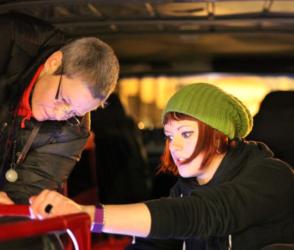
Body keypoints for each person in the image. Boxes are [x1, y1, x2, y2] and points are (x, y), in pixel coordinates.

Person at [30, 83, 294, 250]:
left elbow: (202, 214)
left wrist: (88, 215)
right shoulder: (185, 189)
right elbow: (158, 241)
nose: (174, 146)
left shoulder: (272, 176)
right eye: (169, 136)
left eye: (186, 134)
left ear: (219, 136)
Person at [0, 12, 119, 205]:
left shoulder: (74, 129)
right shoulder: (10, 40)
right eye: (62, 99)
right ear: (53, 63)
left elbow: (32, 187)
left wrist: (11, 203)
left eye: (73, 113)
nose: (59, 115)